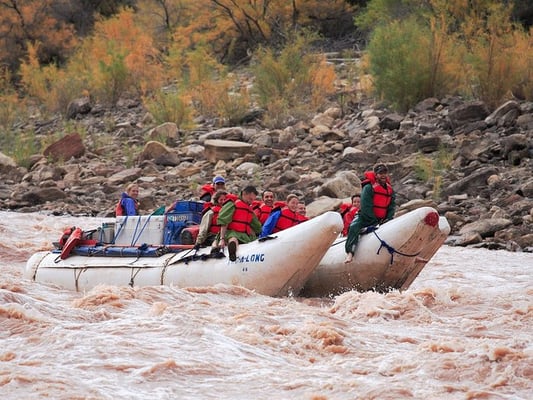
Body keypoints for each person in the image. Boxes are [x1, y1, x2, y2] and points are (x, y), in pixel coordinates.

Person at [344, 164, 395, 263]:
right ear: (376, 175)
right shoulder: (368, 188)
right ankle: (350, 253)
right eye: (380, 173)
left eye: (385, 173)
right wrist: (373, 221)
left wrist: (388, 218)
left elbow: (392, 206)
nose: (383, 175)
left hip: (381, 219)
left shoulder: (390, 190)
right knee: (354, 226)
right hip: (365, 218)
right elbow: (366, 206)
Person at [217, 185, 262, 261]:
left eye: (253, 200)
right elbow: (224, 221)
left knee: (251, 240)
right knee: (233, 238)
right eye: (250, 199)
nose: (251, 202)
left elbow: (257, 226)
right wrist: (222, 238)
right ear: (244, 194)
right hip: (231, 233)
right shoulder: (232, 204)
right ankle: (232, 252)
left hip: (245, 236)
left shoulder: (249, 209)